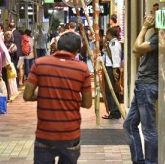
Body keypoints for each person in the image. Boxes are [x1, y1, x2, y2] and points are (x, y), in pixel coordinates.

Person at [23, 32, 92, 164]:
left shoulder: (39, 64)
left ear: (57, 46)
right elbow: (88, 103)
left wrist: (46, 93)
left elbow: (27, 95)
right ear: (77, 50)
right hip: (70, 134)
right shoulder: (83, 69)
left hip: (45, 133)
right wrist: (70, 96)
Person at [123, 14, 159, 164]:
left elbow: (136, 48)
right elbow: (138, 52)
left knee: (148, 129)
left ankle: (151, 162)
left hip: (147, 86)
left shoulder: (160, 37)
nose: (149, 17)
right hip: (143, 85)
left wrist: (144, 28)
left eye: (154, 14)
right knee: (129, 124)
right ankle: (138, 160)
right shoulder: (156, 36)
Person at [102, 27, 122, 120]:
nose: (106, 36)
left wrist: (114, 70)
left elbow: (115, 57)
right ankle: (113, 111)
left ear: (110, 34)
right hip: (110, 68)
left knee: (111, 90)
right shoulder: (110, 43)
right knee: (110, 90)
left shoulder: (114, 44)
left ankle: (114, 112)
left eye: (107, 34)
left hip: (112, 68)